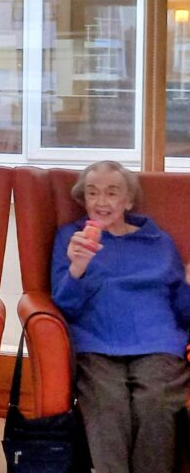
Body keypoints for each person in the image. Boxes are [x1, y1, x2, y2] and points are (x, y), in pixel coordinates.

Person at [51, 160, 190, 473]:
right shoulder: (71, 239)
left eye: (112, 193)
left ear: (128, 200)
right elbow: (65, 306)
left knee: (154, 401)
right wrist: (77, 268)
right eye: (92, 193)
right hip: (96, 340)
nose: (101, 202)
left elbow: (182, 312)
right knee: (107, 404)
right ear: (83, 200)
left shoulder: (159, 243)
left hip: (158, 342)